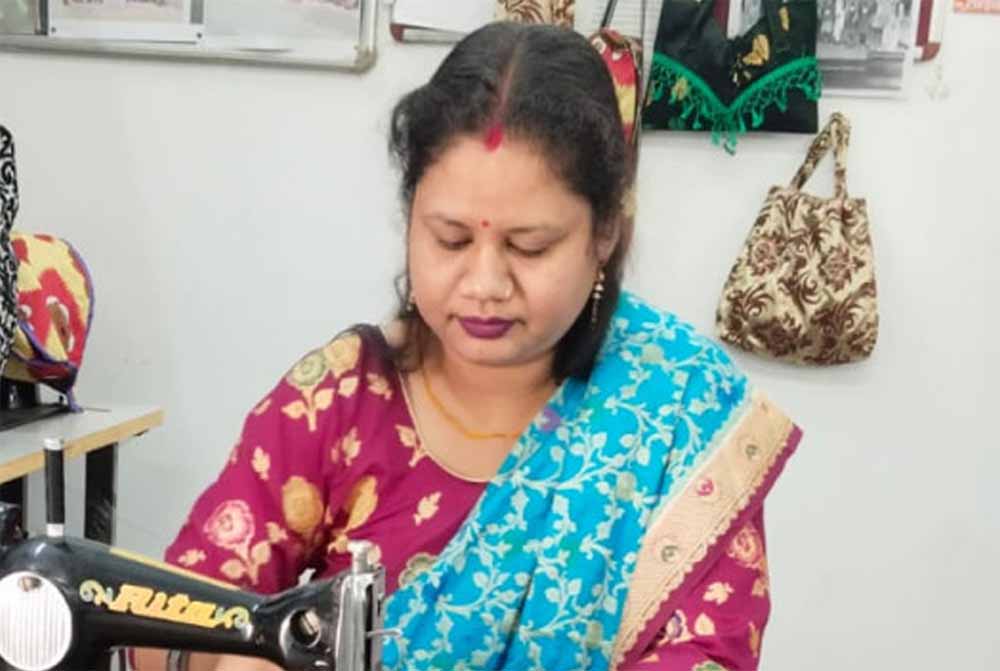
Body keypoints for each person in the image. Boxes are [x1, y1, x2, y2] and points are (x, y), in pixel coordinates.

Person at [135, 21, 801, 671]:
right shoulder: (339, 399)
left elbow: (709, 654)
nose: (484, 285)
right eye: (451, 239)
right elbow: (169, 618)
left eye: (529, 247)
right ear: (411, 219)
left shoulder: (678, 409)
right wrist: (226, 660)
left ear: (604, 234)